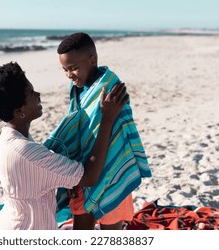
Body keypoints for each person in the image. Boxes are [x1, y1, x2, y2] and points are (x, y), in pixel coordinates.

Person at [0, 61, 128, 230]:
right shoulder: (25, 151)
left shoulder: (7, 134)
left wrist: (67, 181)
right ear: (19, 112)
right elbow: (89, 177)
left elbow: (36, 174)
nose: (38, 94)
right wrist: (107, 119)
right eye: (31, 93)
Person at [44, 32, 152, 230]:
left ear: (92, 59)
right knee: (82, 225)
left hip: (113, 165)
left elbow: (120, 128)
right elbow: (80, 127)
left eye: (74, 68)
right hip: (87, 167)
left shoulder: (109, 87)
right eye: (65, 70)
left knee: (110, 228)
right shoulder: (78, 88)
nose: (69, 75)